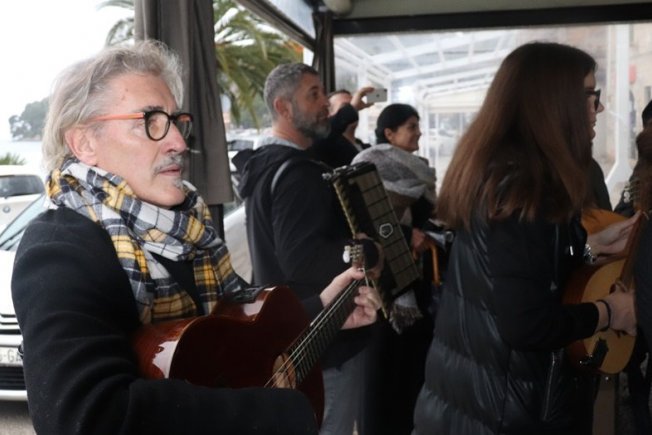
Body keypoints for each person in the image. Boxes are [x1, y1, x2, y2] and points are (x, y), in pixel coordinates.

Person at [11, 41, 381, 435]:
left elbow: (236, 333)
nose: (178, 142)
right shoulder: (60, 250)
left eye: (175, 120)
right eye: (150, 121)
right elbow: (90, 417)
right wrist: (277, 413)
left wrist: (321, 309)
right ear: (85, 143)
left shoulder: (189, 233)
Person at [412, 42, 638, 435]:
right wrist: (609, 311)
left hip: (482, 397)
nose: (599, 108)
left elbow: (520, 270)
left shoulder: (507, 173)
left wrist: (590, 247)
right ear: (554, 104)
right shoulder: (524, 189)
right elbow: (526, 323)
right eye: (591, 95)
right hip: (502, 409)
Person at [234, 63, 383, 435]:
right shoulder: (299, 175)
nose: (325, 104)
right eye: (313, 95)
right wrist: (365, 250)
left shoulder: (263, 166)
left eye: (323, 94)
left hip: (289, 333)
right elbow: (304, 260)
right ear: (283, 108)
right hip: (325, 341)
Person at [351, 103, 437, 435]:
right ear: (389, 133)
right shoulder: (367, 166)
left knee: (408, 370)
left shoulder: (419, 170)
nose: (418, 133)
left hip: (412, 280)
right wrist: (404, 233)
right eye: (411, 126)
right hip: (382, 285)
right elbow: (363, 221)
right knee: (382, 373)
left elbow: (427, 214)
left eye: (418, 126)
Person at [309, 87, 374, 169]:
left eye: (354, 103)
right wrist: (352, 107)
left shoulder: (368, 148)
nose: (354, 109)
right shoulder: (326, 145)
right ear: (329, 114)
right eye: (345, 107)